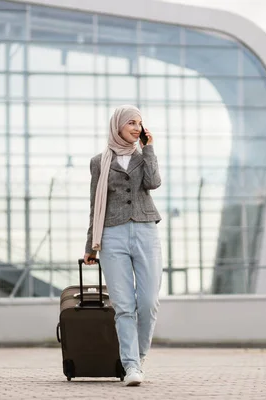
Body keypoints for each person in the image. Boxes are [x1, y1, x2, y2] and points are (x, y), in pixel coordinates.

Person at [83, 105, 163, 386]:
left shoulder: (144, 158)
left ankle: (138, 358)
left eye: (140, 123)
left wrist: (149, 149)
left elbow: (154, 183)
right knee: (124, 305)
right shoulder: (98, 162)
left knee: (148, 302)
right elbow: (96, 205)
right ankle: (131, 367)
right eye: (131, 122)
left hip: (145, 231)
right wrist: (91, 246)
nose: (136, 127)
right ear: (117, 126)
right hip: (112, 235)